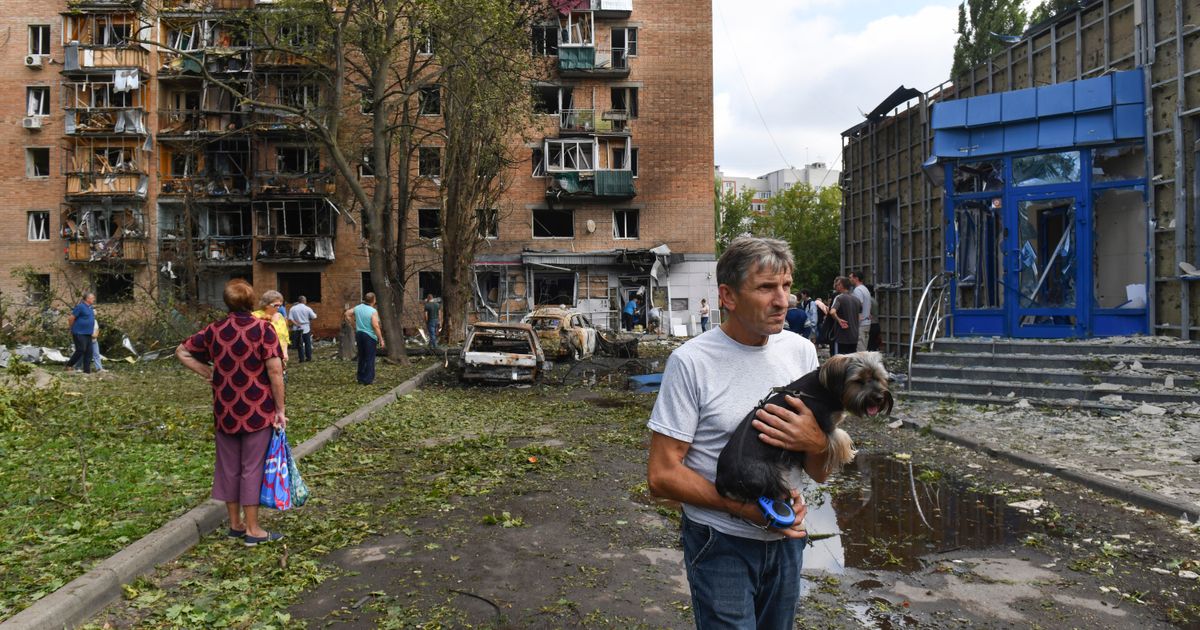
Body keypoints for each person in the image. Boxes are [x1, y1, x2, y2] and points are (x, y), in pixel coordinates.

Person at [646, 236, 830, 629]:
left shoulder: (801, 353)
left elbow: (820, 471)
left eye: (786, 285)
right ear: (727, 296)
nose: (783, 300)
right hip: (720, 542)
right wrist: (744, 510)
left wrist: (816, 442)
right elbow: (662, 475)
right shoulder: (692, 362)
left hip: (787, 540)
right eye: (766, 288)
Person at [176, 279, 287, 547]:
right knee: (252, 468)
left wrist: (208, 372)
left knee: (228, 467)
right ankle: (253, 530)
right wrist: (280, 409)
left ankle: (235, 525)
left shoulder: (214, 330)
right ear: (251, 302)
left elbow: (182, 351)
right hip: (257, 409)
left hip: (225, 410)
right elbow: (274, 371)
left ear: (227, 302)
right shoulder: (264, 330)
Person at [345, 292, 384, 385]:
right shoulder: (373, 311)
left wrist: (353, 324)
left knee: (362, 357)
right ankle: (368, 380)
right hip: (369, 336)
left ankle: (360, 378)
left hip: (359, 334)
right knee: (369, 358)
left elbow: (347, 314)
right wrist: (381, 339)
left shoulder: (358, 307)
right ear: (373, 300)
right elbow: (375, 326)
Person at [253, 291, 291, 369]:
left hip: (278, 355)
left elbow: (284, 336)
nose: (278, 308)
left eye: (280, 305)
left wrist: (285, 353)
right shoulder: (254, 316)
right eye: (276, 305)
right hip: (261, 356)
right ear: (266, 304)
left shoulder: (280, 317)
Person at [827, 276, 861, 356]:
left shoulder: (839, 298)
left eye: (838, 284)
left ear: (842, 285)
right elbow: (860, 317)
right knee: (851, 360)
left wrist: (839, 320)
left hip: (842, 337)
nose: (836, 286)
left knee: (840, 361)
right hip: (854, 336)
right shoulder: (856, 299)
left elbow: (832, 312)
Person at [66, 292, 97, 374]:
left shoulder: (90, 308)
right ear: (87, 299)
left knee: (89, 352)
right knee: (81, 350)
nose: (94, 299)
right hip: (79, 332)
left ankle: (87, 371)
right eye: (92, 298)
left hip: (88, 333)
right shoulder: (80, 307)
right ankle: (69, 365)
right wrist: (71, 328)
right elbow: (71, 318)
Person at [849, 272, 873, 355]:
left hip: (861, 323)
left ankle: (861, 367)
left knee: (860, 349)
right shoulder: (865, 289)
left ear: (856, 278)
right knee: (864, 347)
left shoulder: (858, 290)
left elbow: (859, 305)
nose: (850, 279)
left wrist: (856, 319)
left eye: (851, 277)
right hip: (867, 322)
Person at [288, 296, 318, 362]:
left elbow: (290, 318)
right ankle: (309, 357)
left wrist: (296, 324)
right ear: (305, 301)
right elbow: (314, 316)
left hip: (297, 328)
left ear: (298, 301)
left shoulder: (293, 308)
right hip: (306, 327)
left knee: (300, 344)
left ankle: (301, 359)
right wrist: (309, 318)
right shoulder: (307, 308)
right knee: (307, 343)